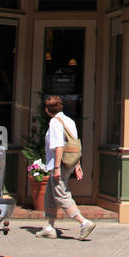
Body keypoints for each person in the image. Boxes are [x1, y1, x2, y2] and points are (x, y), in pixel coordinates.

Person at [36, 95, 96, 240]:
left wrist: (56, 167)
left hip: (60, 164)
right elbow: (74, 145)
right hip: (69, 162)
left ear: (47, 109)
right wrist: (77, 165)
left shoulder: (55, 122)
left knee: (61, 193)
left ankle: (84, 222)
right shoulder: (69, 121)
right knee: (50, 194)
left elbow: (59, 146)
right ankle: (50, 227)